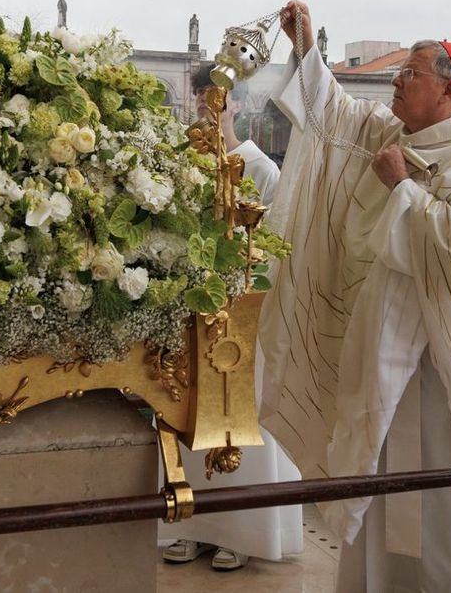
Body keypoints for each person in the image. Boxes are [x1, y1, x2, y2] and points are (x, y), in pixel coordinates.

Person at [259, 0, 451, 593]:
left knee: (440, 505)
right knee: (378, 495)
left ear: (449, 90)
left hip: (442, 373)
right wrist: (306, 48)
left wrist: (403, 190)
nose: (397, 82)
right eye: (399, 71)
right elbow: (333, 116)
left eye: (411, 73)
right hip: (382, 362)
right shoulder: (394, 134)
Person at [161, 64, 301, 573]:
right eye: (200, 92)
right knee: (189, 416)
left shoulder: (261, 168)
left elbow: (276, 245)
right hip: (190, 309)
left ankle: (241, 532)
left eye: (217, 93)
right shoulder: (183, 163)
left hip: (240, 313)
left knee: (240, 419)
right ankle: (191, 525)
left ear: (237, 104)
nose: (206, 100)